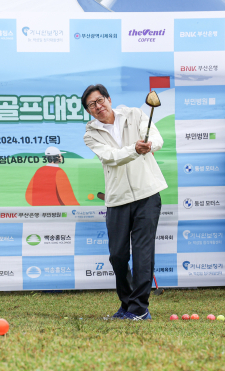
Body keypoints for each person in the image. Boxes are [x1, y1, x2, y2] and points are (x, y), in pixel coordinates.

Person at [82, 84, 167, 320]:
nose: (98, 106)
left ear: (109, 99)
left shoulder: (135, 113)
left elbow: (155, 136)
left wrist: (150, 145)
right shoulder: (90, 134)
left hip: (147, 193)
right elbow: (110, 157)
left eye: (100, 100)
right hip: (117, 199)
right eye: (91, 105)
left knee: (142, 252)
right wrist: (134, 149)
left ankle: (139, 309)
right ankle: (127, 303)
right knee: (117, 255)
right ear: (88, 111)